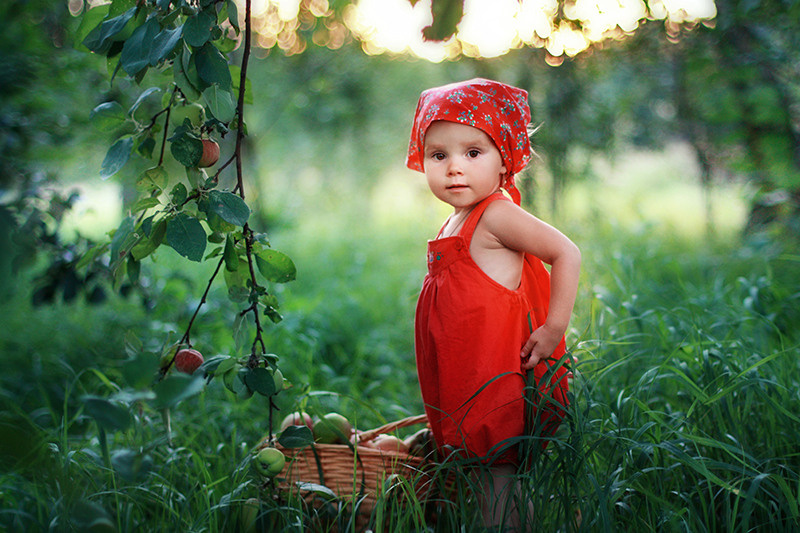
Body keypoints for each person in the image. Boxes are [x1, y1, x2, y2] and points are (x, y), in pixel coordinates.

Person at [406, 78, 581, 530]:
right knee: (479, 476)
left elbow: (566, 252)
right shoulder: (455, 218)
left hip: (492, 376)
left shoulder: (498, 214)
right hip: (463, 372)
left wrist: (553, 326)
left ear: (504, 158)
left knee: (495, 474)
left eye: (473, 153)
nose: (453, 169)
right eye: (438, 155)